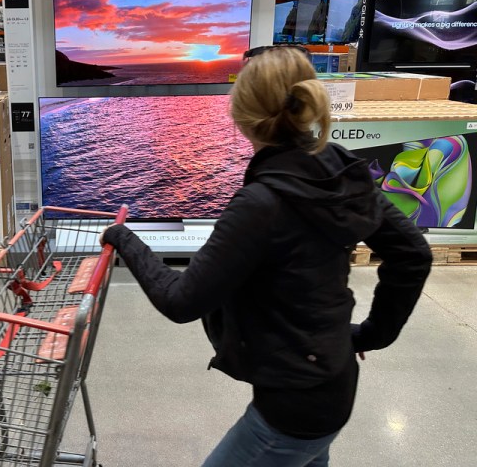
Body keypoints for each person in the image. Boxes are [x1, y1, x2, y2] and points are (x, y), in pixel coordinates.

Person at [100, 47, 432, 466]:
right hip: (334, 378)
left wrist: (123, 238)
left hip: (291, 411)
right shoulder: (339, 170)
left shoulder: (261, 202)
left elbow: (181, 300)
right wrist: (369, 335)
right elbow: (413, 254)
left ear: (241, 116)